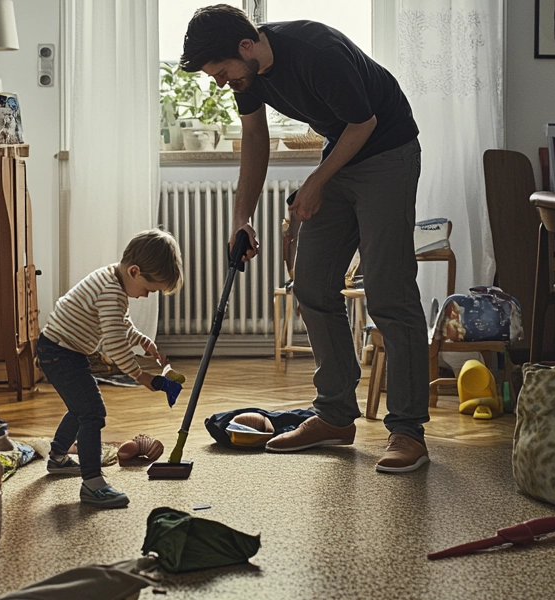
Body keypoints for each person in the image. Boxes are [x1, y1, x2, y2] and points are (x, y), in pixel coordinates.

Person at [181, 5, 429, 472]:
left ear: (246, 46)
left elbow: (366, 123)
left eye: (222, 72)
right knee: (312, 285)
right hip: (343, 150)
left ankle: (408, 429)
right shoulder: (249, 78)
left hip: (387, 151)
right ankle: (335, 416)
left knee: (389, 291)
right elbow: (255, 140)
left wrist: (315, 183)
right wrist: (241, 218)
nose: (222, 82)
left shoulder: (317, 50)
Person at [37, 229, 184, 507]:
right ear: (135, 271)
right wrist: (141, 376)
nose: (146, 296)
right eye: (148, 289)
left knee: (81, 406)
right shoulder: (111, 293)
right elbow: (115, 346)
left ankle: (57, 458)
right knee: (92, 412)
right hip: (59, 353)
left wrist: (142, 341)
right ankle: (92, 484)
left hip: (60, 350)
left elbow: (120, 323)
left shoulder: (111, 279)